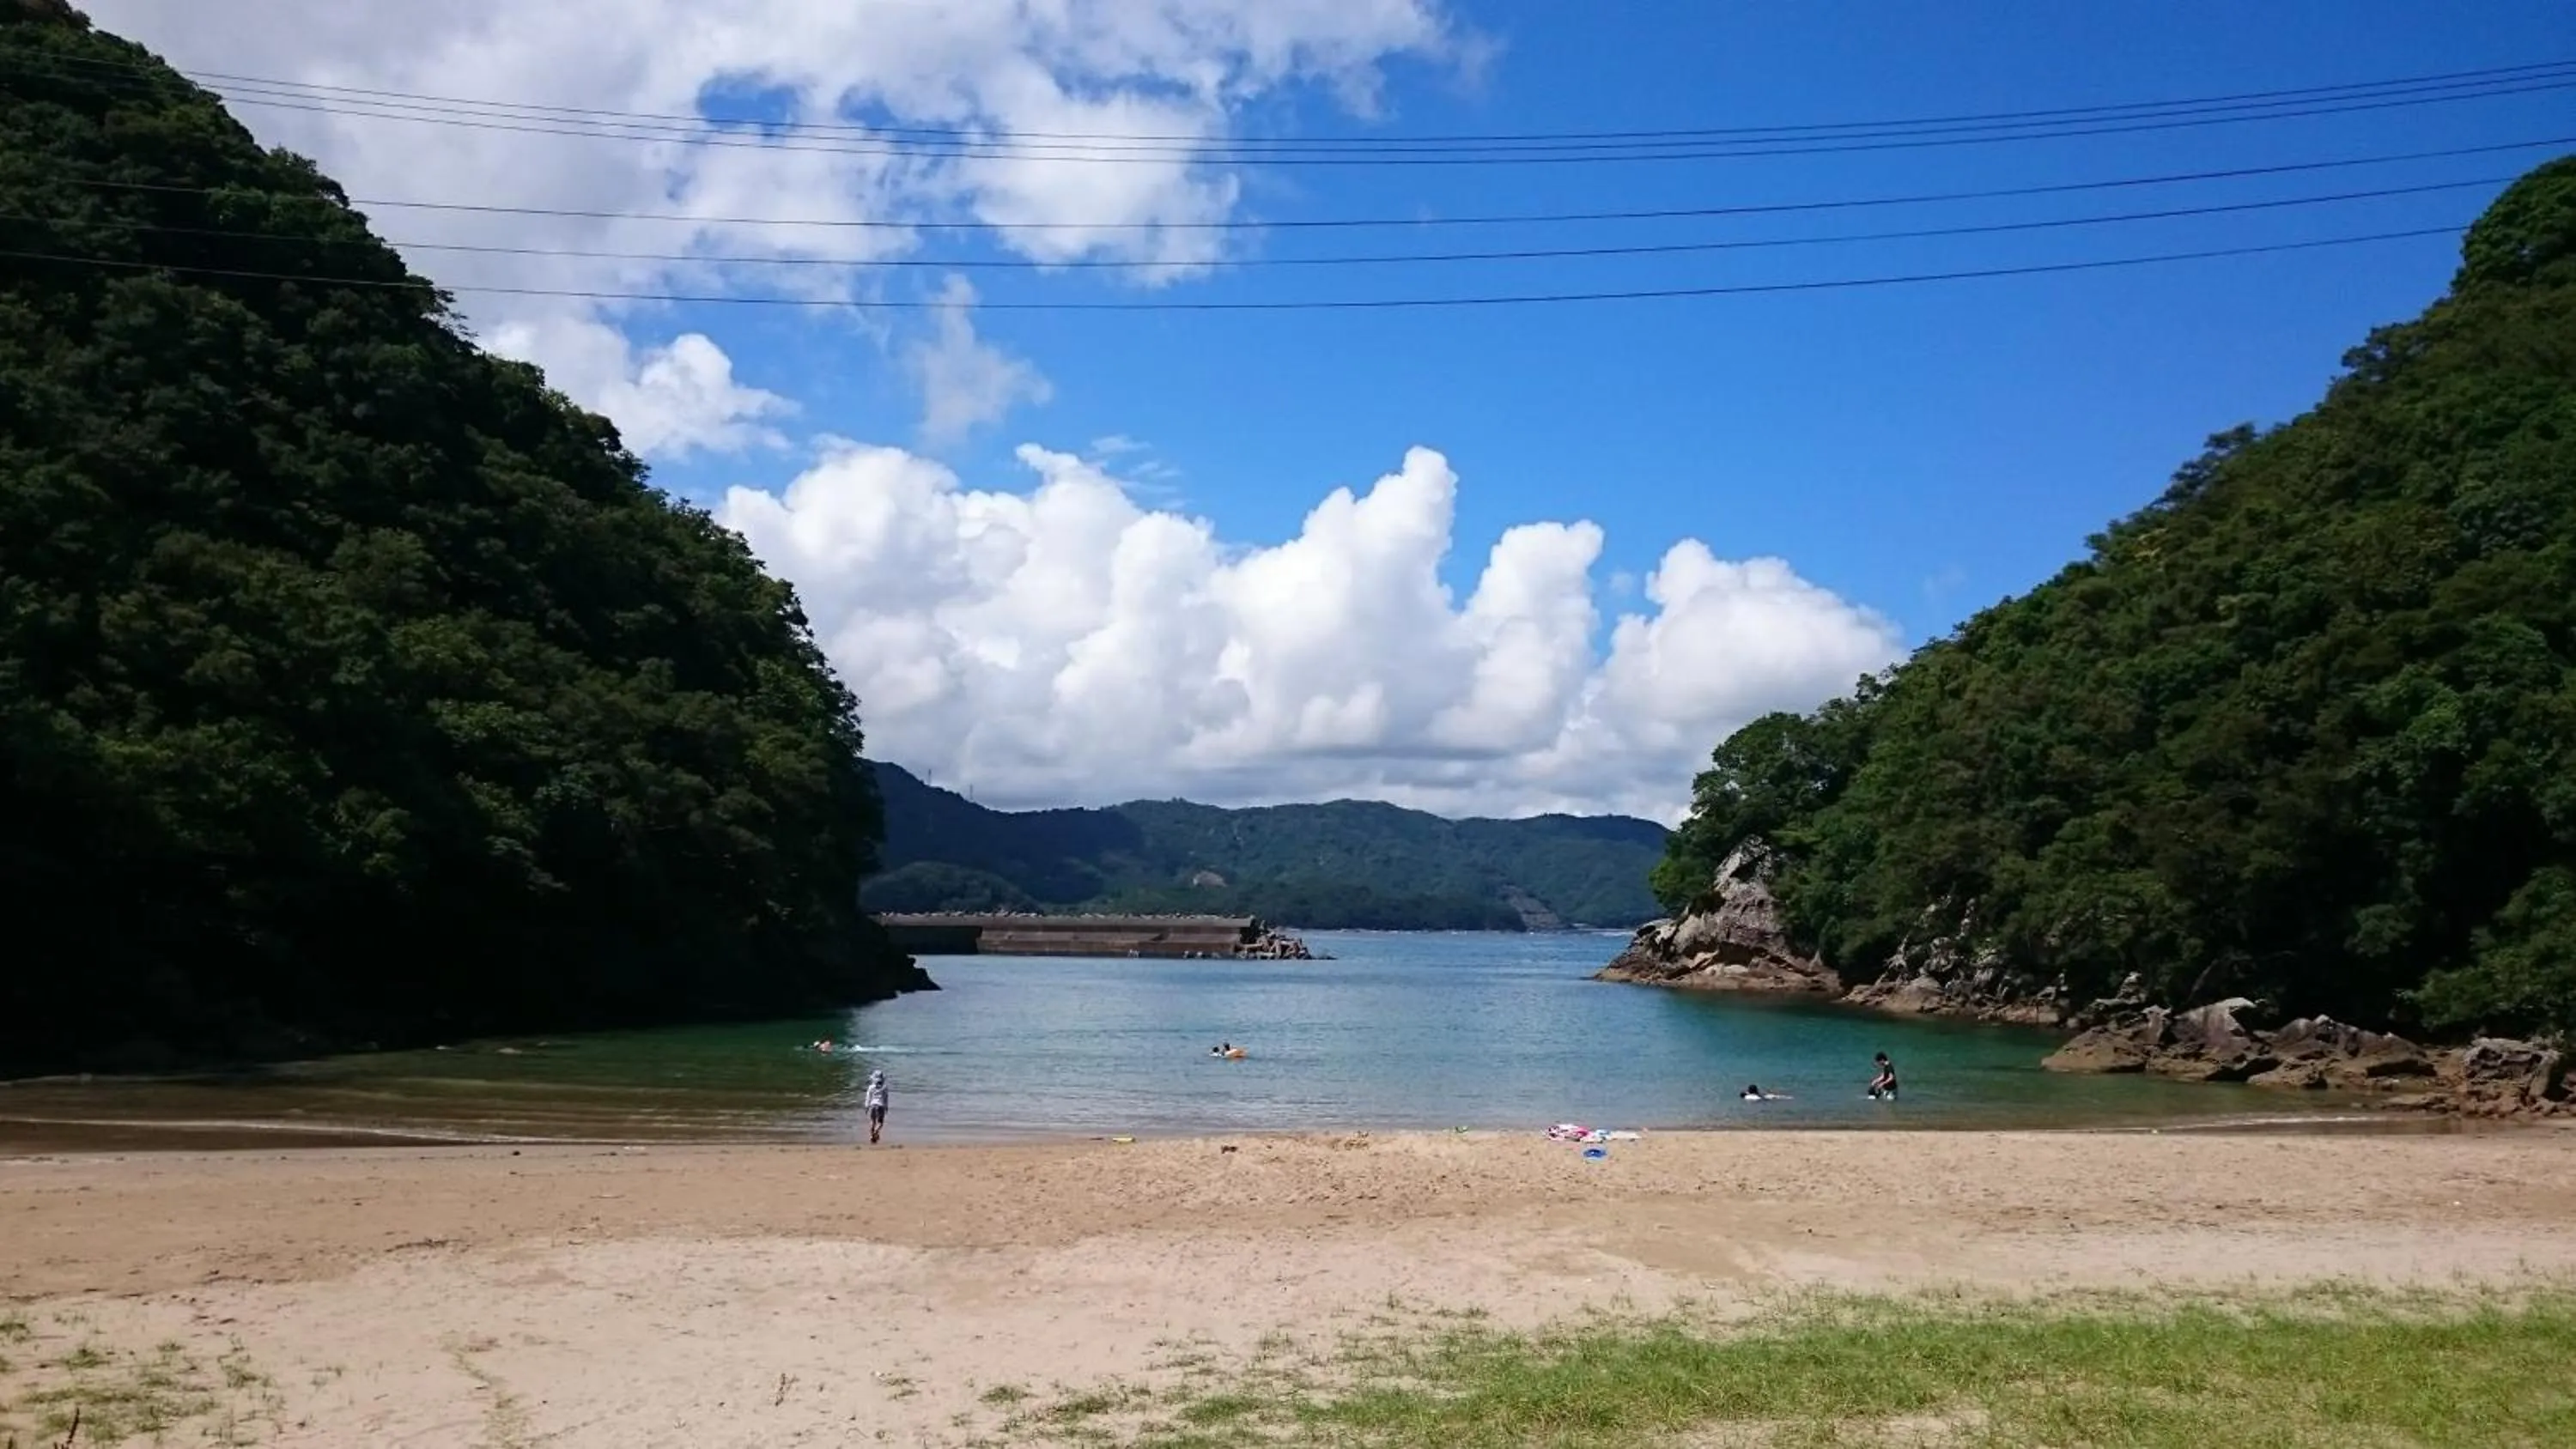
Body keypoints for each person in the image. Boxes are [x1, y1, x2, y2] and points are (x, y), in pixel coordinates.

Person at [864, 1069, 889, 1144]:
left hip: (872, 1105)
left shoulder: (871, 1087)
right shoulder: (884, 1087)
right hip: (881, 1106)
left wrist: (867, 1106)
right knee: (880, 1123)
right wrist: (886, 1107)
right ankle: (876, 1132)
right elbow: (885, 1098)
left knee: (872, 1122)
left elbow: (868, 1097)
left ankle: (872, 1136)